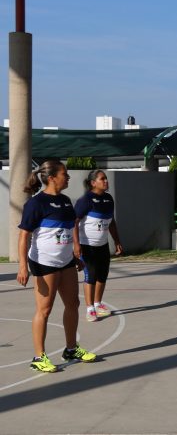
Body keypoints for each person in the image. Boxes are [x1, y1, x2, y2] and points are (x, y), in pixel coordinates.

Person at [17, 160, 97, 373]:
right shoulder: (36, 203)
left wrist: (75, 255)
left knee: (73, 304)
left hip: (66, 261)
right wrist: (23, 267)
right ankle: (38, 357)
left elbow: (69, 229)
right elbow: (24, 236)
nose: (68, 177)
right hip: (44, 263)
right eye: (64, 173)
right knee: (45, 310)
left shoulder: (65, 201)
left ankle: (71, 349)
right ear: (52, 177)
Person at [73, 169, 123, 322]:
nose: (106, 181)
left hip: (103, 245)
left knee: (102, 275)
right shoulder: (85, 200)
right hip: (87, 245)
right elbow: (74, 222)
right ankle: (90, 309)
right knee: (91, 276)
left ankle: (98, 303)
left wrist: (117, 241)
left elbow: (111, 222)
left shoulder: (109, 199)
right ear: (93, 183)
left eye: (106, 178)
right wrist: (76, 245)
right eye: (102, 179)